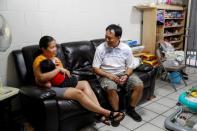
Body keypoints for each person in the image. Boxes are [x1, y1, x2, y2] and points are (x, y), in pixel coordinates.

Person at [33, 36, 125, 127]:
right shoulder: (39, 60)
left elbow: (65, 73)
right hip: (51, 88)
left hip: (63, 83)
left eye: (55, 46)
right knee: (78, 93)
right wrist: (57, 70)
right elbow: (40, 78)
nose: (55, 49)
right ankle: (108, 113)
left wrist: (63, 70)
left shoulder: (56, 59)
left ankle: (99, 115)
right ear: (43, 49)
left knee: (85, 83)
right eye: (52, 47)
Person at [93, 24, 144, 122]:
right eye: (106, 37)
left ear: (118, 37)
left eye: (110, 38)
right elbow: (95, 68)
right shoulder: (100, 48)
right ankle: (116, 113)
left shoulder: (126, 49)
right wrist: (109, 75)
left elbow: (130, 66)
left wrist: (126, 75)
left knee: (139, 85)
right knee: (111, 88)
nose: (107, 40)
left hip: (122, 73)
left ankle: (131, 109)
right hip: (105, 74)